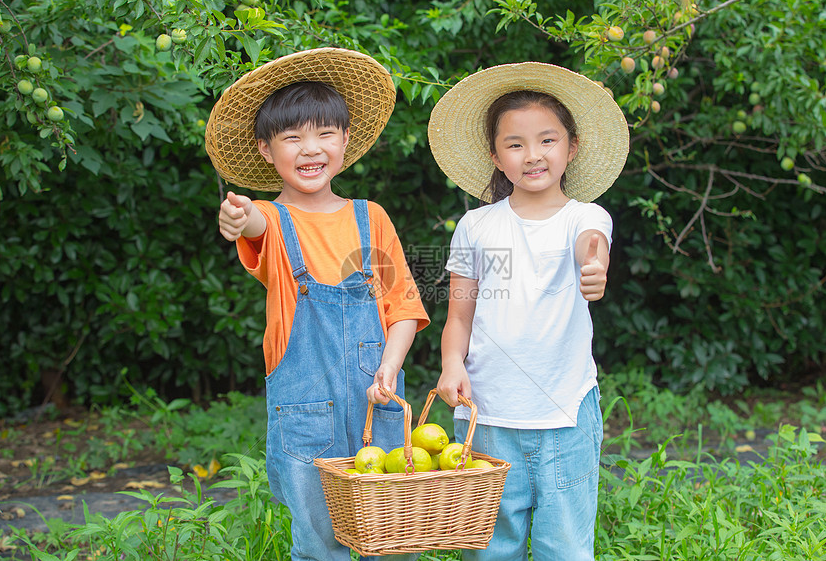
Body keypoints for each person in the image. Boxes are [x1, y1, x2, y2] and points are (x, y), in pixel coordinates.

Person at [205, 47, 430, 561]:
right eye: (292, 137)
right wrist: (238, 216)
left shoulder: (370, 218)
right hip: (306, 414)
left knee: (395, 541)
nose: (311, 149)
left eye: (325, 133)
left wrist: (390, 369)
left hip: (380, 402)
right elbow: (253, 225)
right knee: (318, 544)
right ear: (266, 150)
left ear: (346, 140)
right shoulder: (271, 221)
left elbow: (402, 308)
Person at [428, 61, 629, 560]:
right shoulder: (476, 227)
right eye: (515, 144)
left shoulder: (585, 216)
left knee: (567, 546)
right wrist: (452, 363)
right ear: (496, 157)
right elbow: (459, 317)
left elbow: (591, 244)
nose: (532, 155)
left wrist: (594, 266)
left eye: (547, 140)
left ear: (571, 148)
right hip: (488, 418)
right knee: (490, 547)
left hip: (566, 413)